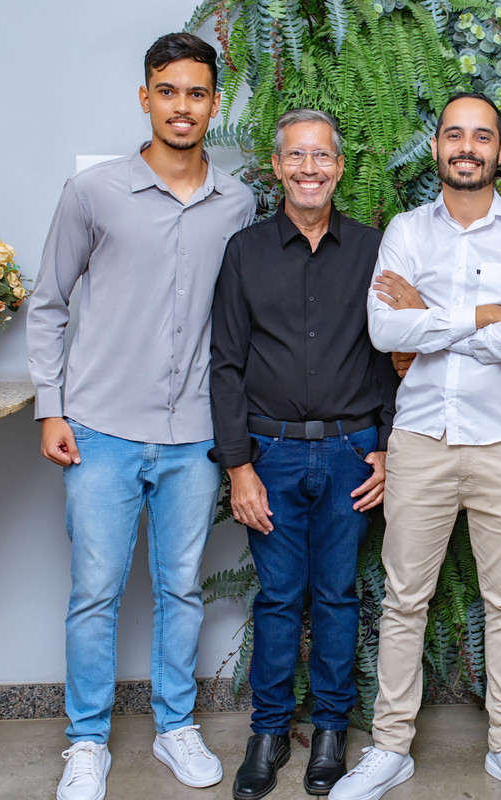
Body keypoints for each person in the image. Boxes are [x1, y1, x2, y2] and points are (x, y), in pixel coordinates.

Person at [27, 32, 256, 800]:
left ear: (213, 104)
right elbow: (48, 303)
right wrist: (51, 409)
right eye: (167, 91)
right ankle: (86, 741)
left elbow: (241, 322)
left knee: (181, 589)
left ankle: (175, 727)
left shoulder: (239, 204)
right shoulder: (93, 194)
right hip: (99, 429)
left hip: (195, 436)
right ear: (145, 97)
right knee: (94, 593)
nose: (181, 106)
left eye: (196, 93)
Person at [329, 92, 501, 800]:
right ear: (436, 147)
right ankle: (390, 748)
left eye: (482, 136)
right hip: (422, 440)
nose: (467, 147)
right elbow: (385, 331)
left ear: (500, 150)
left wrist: (430, 316)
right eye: (455, 135)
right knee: (404, 600)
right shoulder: (405, 231)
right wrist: (489, 316)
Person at [209, 108, 397, 799]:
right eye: (296, 156)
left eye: (321, 156)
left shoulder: (374, 250)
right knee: (279, 598)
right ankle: (266, 733)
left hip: (352, 453)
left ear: (339, 168)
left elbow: (394, 354)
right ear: (277, 166)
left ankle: (330, 733)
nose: (309, 168)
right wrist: (239, 469)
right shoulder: (245, 252)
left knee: (339, 597)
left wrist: (387, 449)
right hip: (271, 457)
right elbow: (225, 364)